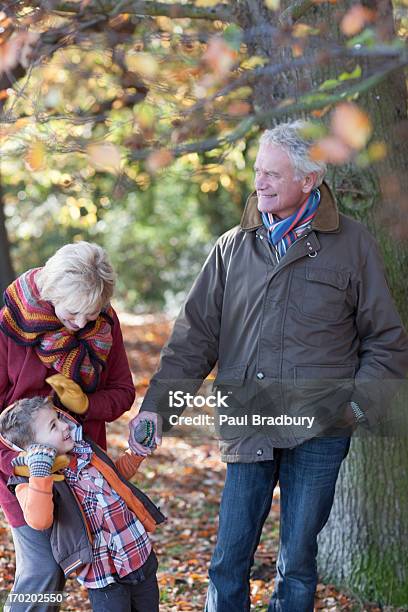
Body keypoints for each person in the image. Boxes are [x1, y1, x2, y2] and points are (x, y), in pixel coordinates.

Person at [129, 121, 408, 611]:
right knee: (228, 560)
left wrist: (357, 408)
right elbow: (193, 340)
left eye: (273, 174)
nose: (260, 182)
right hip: (249, 424)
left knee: (298, 563)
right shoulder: (232, 248)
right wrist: (155, 410)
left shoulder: (353, 245)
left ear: (309, 178)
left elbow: (385, 339)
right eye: (258, 171)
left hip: (319, 431)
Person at [0, 241, 136, 611]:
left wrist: (87, 404)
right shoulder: (11, 324)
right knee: (43, 568)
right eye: (72, 313)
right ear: (50, 294)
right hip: (25, 471)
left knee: (80, 566)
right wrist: (16, 466)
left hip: (83, 470)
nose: (80, 324)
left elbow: (123, 393)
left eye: (90, 314)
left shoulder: (104, 325)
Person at [0, 396, 165, 612]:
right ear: (33, 447)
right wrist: (40, 472)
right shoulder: (28, 481)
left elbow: (115, 478)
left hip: (138, 553)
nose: (64, 425)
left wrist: (135, 454)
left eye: (58, 419)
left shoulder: (85, 451)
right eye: (53, 426)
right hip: (104, 576)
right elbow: (39, 520)